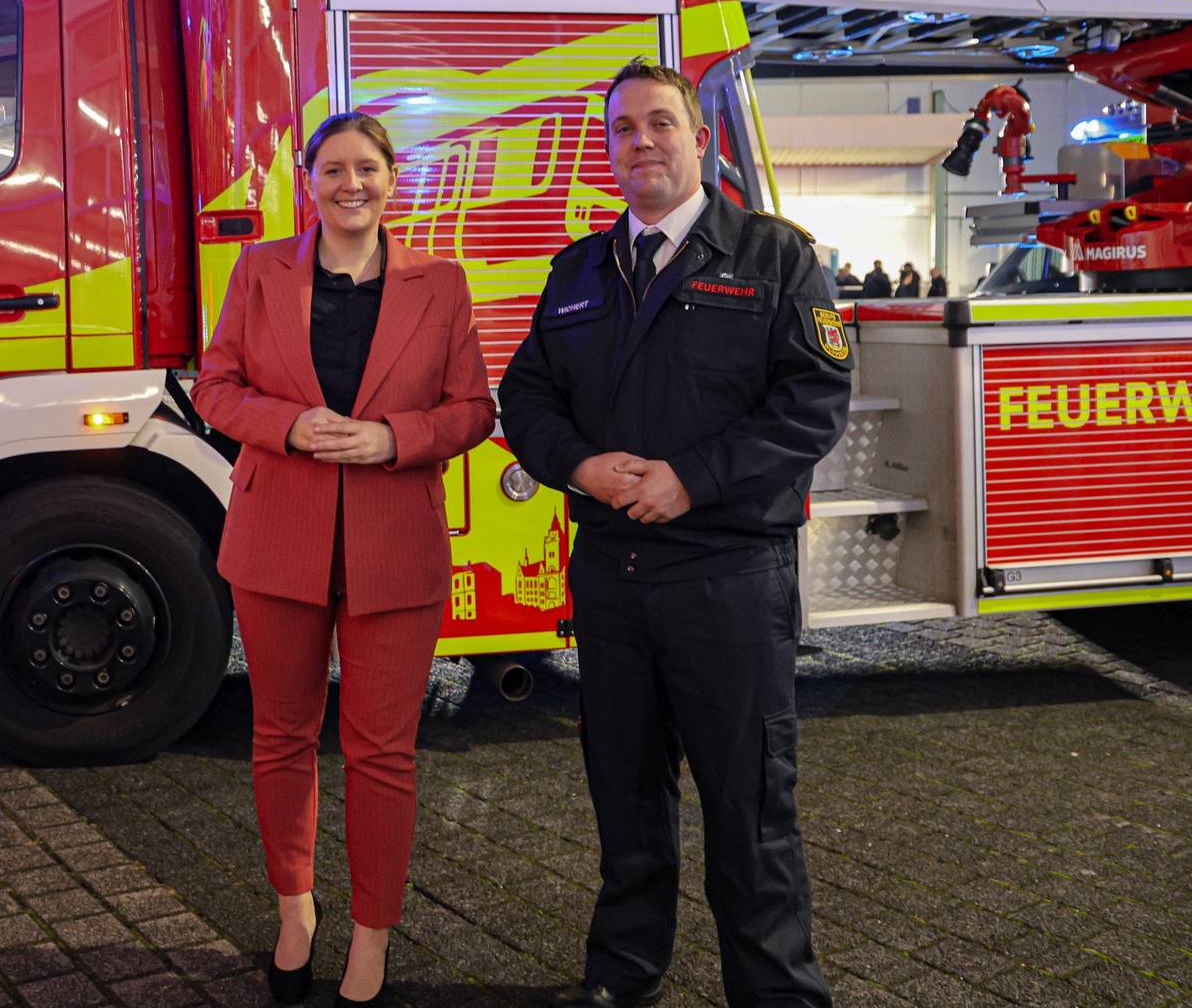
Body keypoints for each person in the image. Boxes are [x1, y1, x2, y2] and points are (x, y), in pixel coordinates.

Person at [500, 59, 852, 1008]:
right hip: (611, 579)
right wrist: (577, 465)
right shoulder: (579, 270)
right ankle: (621, 977)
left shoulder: (776, 258)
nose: (641, 142)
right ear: (608, 150)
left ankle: (777, 993)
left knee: (748, 807)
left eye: (661, 123)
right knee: (624, 793)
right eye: (623, 128)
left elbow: (813, 405)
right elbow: (526, 395)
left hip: (728, 578)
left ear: (702, 141)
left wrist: (691, 480)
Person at [193, 112, 495, 1007]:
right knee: (281, 738)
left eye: (366, 168)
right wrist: (285, 425)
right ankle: (296, 913)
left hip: (393, 543)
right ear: (309, 181)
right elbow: (214, 387)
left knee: (381, 754)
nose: (349, 184)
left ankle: (371, 937)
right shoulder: (259, 271)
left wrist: (393, 438)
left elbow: (473, 410)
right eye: (332, 169)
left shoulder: (440, 284)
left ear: (392, 180)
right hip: (275, 540)